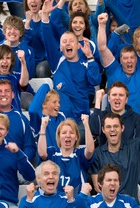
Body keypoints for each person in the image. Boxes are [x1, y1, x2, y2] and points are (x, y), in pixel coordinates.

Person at [41, 0, 101, 140]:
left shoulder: (86, 63)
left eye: (71, 41)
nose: (68, 44)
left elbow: (96, 80)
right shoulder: (57, 62)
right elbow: (48, 38)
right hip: (59, 120)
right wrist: (44, 15)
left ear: (78, 45)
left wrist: (90, 57)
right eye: (64, 42)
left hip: (80, 121)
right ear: (60, 48)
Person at [90, 97, 140, 200]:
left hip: (130, 206)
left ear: (122, 128)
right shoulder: (97, 154)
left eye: (116, 126)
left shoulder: (134, 146)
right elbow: (97, 187)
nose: (112, 130)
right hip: (108, 207)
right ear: (103, 130)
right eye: (108, 127)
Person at [97, 12, 140, 124]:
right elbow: (102, 48)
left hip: (138, 127)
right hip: (113, 124)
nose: (129, 61)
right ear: (120, 59)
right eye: (125, 58)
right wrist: (102, 25)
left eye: (132, 58)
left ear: (136, 60)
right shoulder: (114, 70)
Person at [38, 115, 94, 195]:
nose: (68, 136)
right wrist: (43, 127)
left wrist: (86, 125)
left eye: (71, 133)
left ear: (76, 137)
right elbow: (42, 153)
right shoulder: (52, 153)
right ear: (59, 137)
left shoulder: (79, 154)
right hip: (55, 202)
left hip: (76, 201)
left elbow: (90, 150)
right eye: (64, 133)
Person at [89, 82, 140, 146]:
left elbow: (139, 146)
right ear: (108, 98)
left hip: (129, 155)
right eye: (114, 95)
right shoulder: (101, 116)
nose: (117, 98)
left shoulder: (137, 119)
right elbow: (94, 131)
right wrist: (98, 101)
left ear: (126, 99)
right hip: (105, 155)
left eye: (121, 95)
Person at [23, 0, 51, 78]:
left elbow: (47, 42)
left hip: (45, 60)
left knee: (41, 69)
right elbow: (23, 44)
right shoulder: (23, 22)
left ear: (41, 2)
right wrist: (27, 23)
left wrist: (43, 21)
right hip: (28, 60)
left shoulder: (48, 21)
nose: (33, 1)